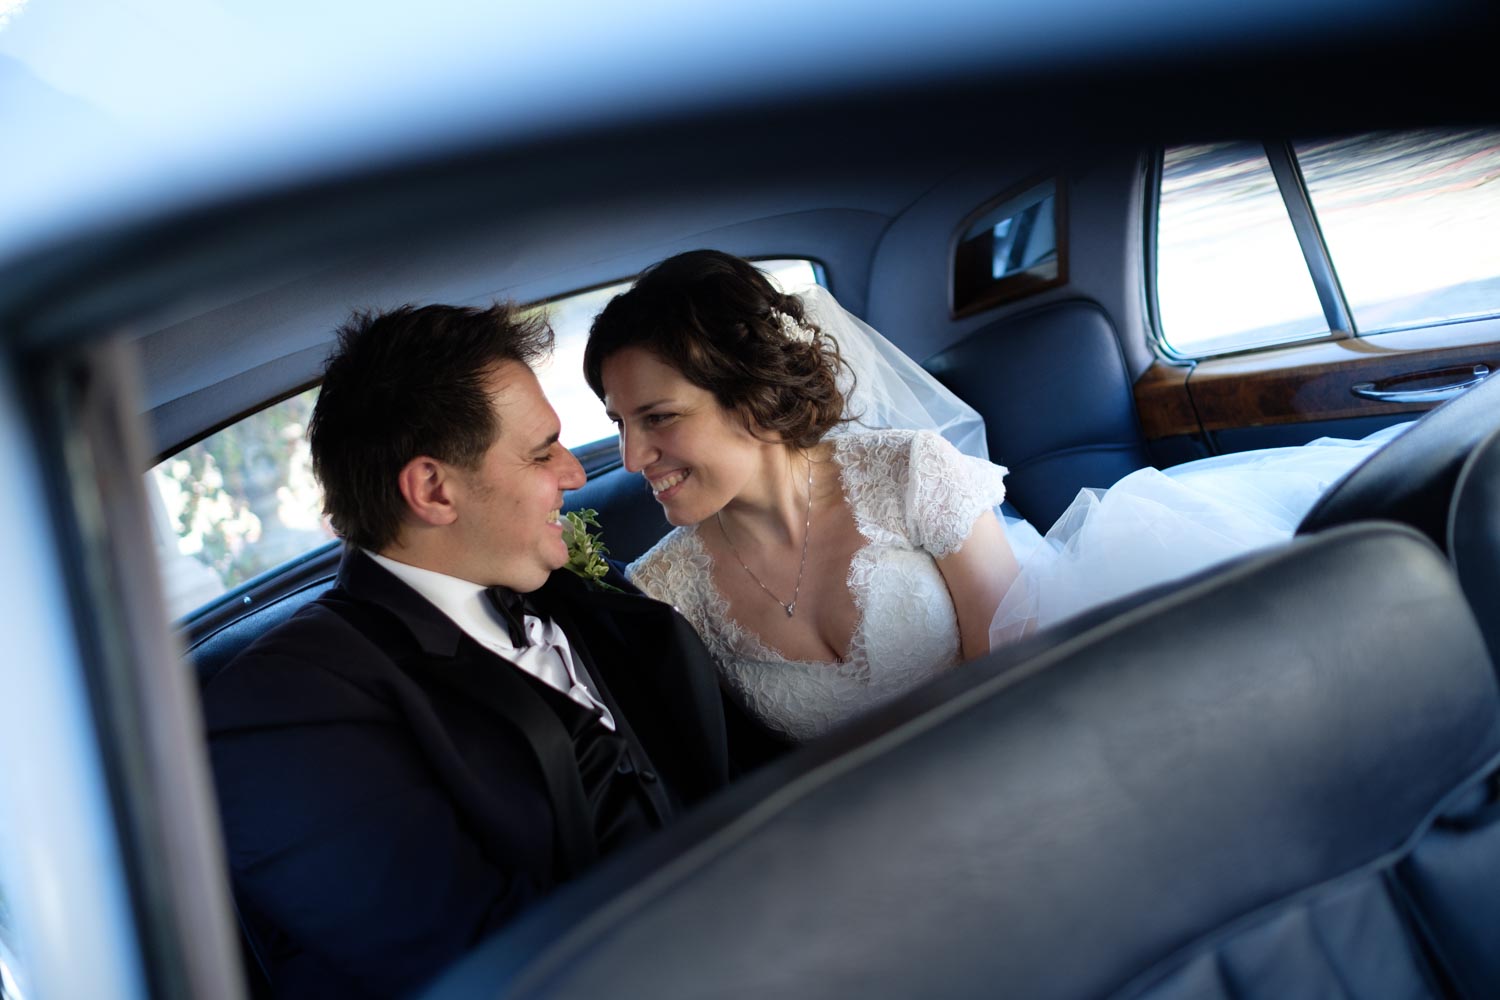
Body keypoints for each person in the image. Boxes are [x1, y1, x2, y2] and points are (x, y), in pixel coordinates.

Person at [583, 250, 1398, 743]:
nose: (630, 456)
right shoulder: (665, 591)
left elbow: (1019, 669)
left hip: (1040, 730)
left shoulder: (907, 473)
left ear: (750, 395)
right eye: (618, 423)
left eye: (658, 419)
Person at [202, 303, 741, 999]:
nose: (576, 474)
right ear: (433, 489)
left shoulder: (572, 592)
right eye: (543, 450)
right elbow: (487, 974)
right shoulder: (276, 712)